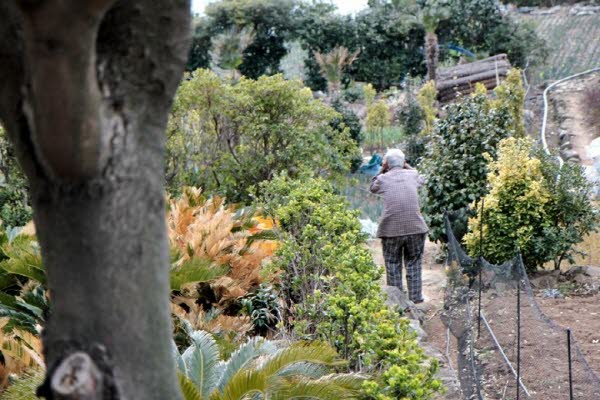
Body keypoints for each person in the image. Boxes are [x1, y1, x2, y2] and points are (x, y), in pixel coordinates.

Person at [369, 148, 428, 303]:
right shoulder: (413, 175)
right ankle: (416, 299)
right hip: (415, 228)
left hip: (390, 230)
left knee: (392, 263)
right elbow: (423, 178)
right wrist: (406, 166)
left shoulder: (383, 179)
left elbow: (372, 187)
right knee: (414, 263)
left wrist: (383, 169)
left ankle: (397, 303)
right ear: (403, 162)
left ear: (387, 163)